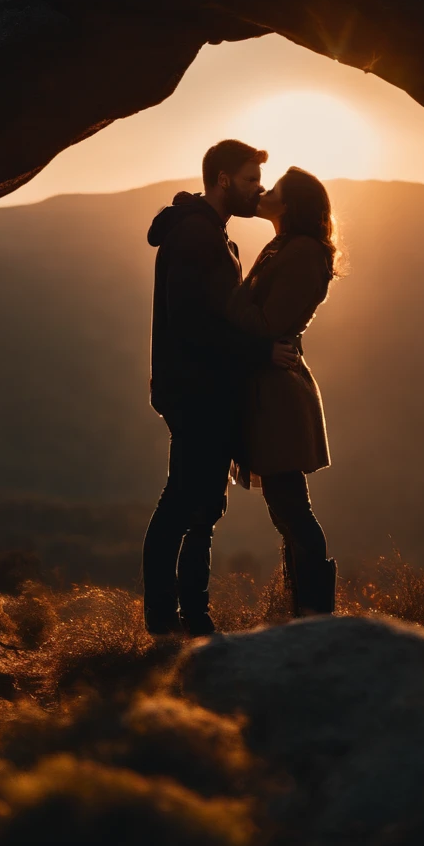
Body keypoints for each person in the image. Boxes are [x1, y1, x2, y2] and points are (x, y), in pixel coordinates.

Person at [142, 140, 299, 636]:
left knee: (204, 505)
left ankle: (194, 619)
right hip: (195, 392)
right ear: (225, 180)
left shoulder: (213, 235)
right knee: (183, 502)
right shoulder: (194, 236)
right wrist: (259, 353)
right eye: (251, 180)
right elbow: (188, 321)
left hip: (206, 389)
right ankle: (167, 622)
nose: (258, 190)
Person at [226, 166, 338, 616]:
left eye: (271, 189)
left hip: (279, 398)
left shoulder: (304, 252)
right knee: (285, 508)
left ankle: (314, 613)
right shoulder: (282, 247)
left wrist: (225, 305)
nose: (263, 191)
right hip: (267, 390)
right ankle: (305, 610)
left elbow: (271, 324)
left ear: (288, 205)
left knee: (291, 506)